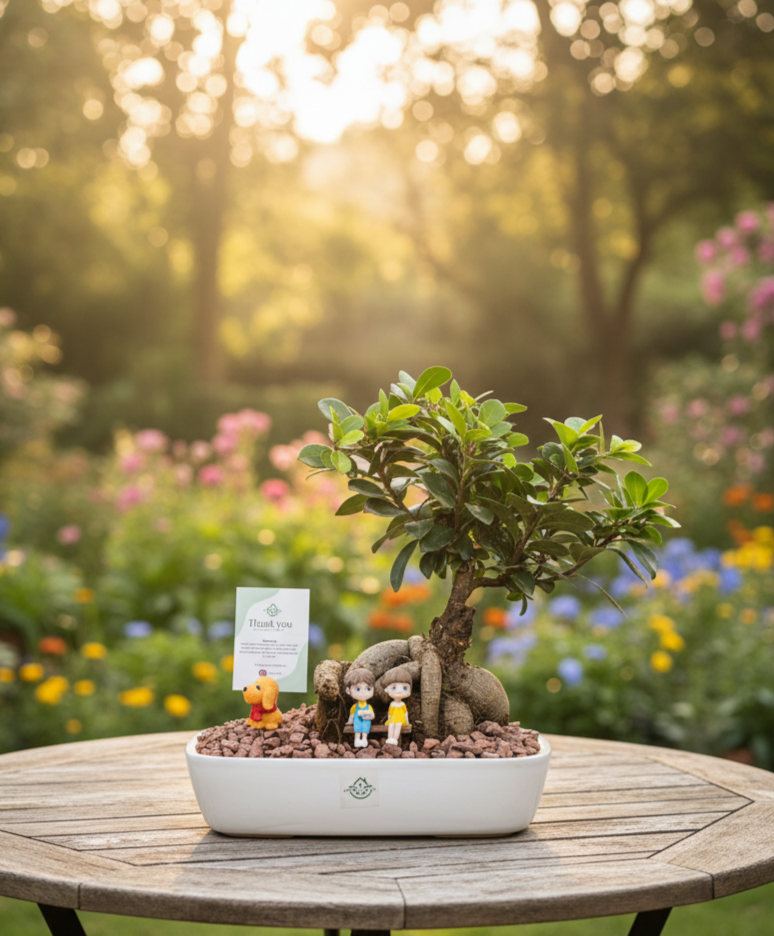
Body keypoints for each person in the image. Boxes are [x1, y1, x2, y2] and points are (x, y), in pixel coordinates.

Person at [344, 666, 376, 748]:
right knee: (357, 729)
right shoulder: (355, 707)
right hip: (357, 723)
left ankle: (364, 739)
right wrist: (349, 722)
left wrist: (366, 715)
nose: (363, 693)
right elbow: (352, 715)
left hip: (366, 723)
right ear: (348, 691)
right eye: (358, 689)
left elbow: (372, 716)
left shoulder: (368, 706)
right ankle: (357, 739)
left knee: (365, 728)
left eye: (368, 689)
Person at [382, 665, 412, 745]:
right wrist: (389, 719)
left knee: (398, 726)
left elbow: (405, 713)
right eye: (394, 688)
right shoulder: (392, 704)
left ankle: (395, 739)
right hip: (393, 719)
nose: (399, 691)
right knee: (391, 726)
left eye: (404, 688)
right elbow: (390, 713)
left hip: (400, 720)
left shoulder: (402, 704)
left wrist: (407, 722)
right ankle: (390, 738)